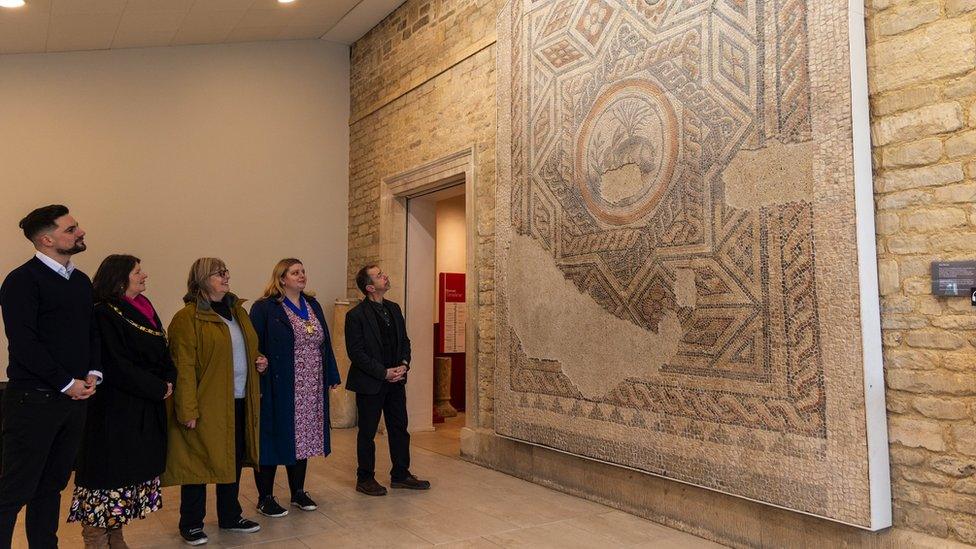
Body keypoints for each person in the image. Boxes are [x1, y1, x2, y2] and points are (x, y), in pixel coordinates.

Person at [0, 204, 101, 548]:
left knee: (52, 485)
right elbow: (25, 343)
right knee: (15, 489)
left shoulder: (81, 280)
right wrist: (65, 383)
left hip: (74, 400)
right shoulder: (21, 281)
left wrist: (92, 374)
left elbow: (91, 332)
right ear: (46, 239)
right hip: (34, 400)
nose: (80, 232)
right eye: (70, 229)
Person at [69, 255, 177, 548]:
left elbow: (162, 349)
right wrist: (156, 386)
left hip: (143, 406)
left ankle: (115, 537)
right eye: (138, 272)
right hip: (113, 411)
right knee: (107, 478)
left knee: (126, 480)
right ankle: (95, 539)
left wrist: (169, 379)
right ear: (119, 278)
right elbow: (116, 364)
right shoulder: (104, 312)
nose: (144, 276)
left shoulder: (144, 307)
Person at [162, 258, 267, 546]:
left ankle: (230, 516)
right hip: (206, 403)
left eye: (226, 271)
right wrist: (187, 409)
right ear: (202, 279)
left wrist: (259, 360)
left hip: (239, 398)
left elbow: (249, 348)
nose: (226, 276)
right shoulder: (188, 318)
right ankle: (191, 522)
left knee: (231, 460)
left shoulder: (238, 311)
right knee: (196, 463)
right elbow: (183, 367)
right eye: (219, 273)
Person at [249, 259, 341, 517]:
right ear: (281, 278)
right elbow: (252, 343)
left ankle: (298, 492)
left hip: (311, 386)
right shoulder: (265, 308)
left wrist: (332, 373)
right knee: (273, 436)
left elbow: (326, 344)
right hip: (279, 383)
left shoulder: (312, 305)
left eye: (303, 271)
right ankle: (265, 496)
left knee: (304, 437)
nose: (302, 276)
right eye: (295, 272)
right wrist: (259, 360)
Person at [346, 265, 430, 496]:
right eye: (379, 275)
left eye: (384, 272)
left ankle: (401, 474)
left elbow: (405, 341)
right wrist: (383, 372)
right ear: (370, 287)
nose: (386, 275)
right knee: (367, 432)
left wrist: (404, 364)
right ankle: (365, 478)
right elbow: (356, 353)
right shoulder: (355, 316)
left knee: (399, 428)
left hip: (396, 381)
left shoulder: (394, 308)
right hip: (371, 382)